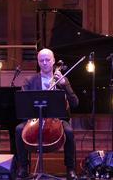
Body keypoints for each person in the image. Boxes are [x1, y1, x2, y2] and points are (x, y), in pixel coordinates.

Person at [15, 48, 79, 180]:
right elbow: (24, 104)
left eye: (47, 60)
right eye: (41, 60)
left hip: (57, 120)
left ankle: (70, 168)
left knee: (69, 132)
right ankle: (23, 167)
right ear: (38, 62)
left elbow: (75, 103)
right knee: (19, 129)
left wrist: (64, 85)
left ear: (53, 61)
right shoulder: (30, 80)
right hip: (34, 119)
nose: (44, 63)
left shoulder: (62, 80)